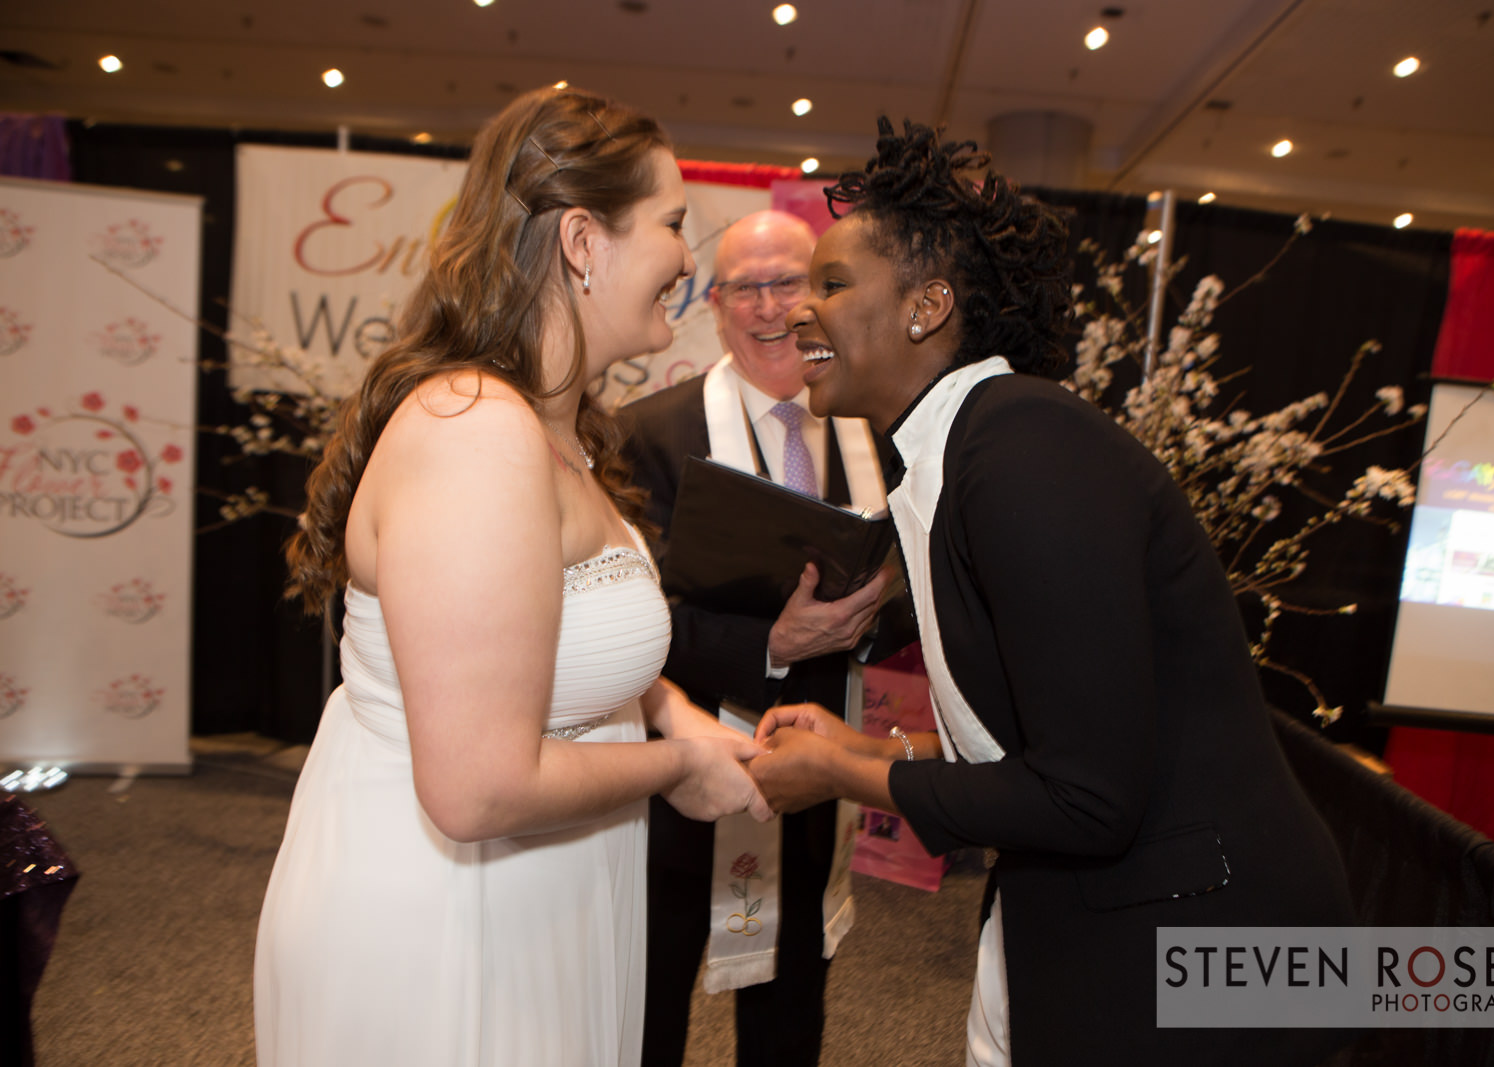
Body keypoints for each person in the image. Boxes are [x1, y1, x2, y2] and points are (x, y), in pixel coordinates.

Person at [748, 119, 1356, 1067]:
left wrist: (841, 773)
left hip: (1210, 947)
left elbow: (1085, 796)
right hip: (1130, 915)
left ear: (927, 306)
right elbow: (1035, 745)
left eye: (831, 284)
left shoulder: (1023, 450)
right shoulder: (960, 454)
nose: (796, 314)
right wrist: (865, 744)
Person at [253, 87, 770, 1067]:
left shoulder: (551, 424)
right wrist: (680, 767)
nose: (688, 260)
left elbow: (551, 631)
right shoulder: (475, 433)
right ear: (584, 239)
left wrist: (667, 708)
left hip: (533, 899)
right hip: (447, 923)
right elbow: (476, 786)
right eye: (671, 225)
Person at [619, 210, 894, 1067]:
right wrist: (770, 642)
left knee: (789, 1010)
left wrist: (878, 611)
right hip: (680, 769)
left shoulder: (874, 429)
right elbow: (634, 620)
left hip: (815, 767)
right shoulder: (651, 433)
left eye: (793, 282)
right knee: (647, 1005)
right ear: (716, 303)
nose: (773, 307)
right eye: (748, 287)